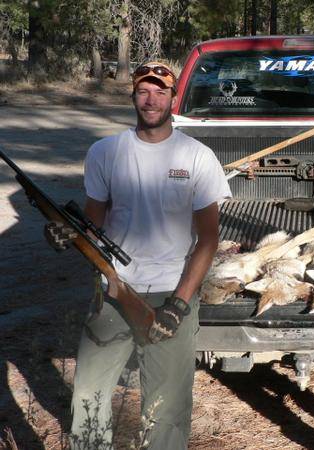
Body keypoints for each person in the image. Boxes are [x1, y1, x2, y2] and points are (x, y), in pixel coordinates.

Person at [47, 61, 231, 449]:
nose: (152, 100)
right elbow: (91, 229)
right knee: (88, 399)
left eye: (161, 92)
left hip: (170, 296)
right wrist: (66, 234)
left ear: (174, 99)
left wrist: (179, 305)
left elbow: (209, 239)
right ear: (132, 95)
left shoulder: (197, 156)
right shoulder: (105, 152)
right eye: (144, 91)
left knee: (166, 412)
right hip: (113, 292)